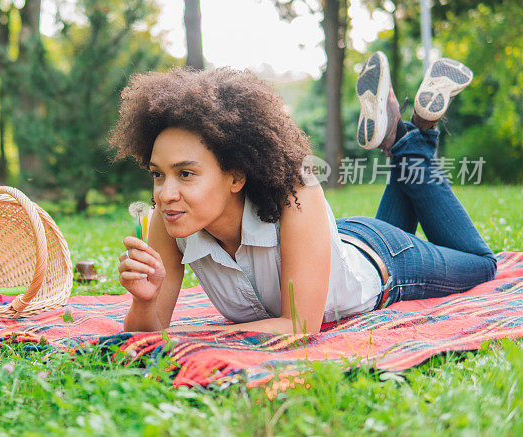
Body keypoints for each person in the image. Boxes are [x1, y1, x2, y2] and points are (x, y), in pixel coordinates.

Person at [108, 54, 497, 334]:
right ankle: (408, 136)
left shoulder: (295, 191)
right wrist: (144, 300)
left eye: (186, 173)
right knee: (407, 166)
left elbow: (299, 326)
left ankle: (417, 136)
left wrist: (196, 338)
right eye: (158, 175)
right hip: (333, 244)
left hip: (387, 262)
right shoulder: (170, 216)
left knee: (482, 264)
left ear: (236, 177)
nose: (165, 193)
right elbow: (146, 334)